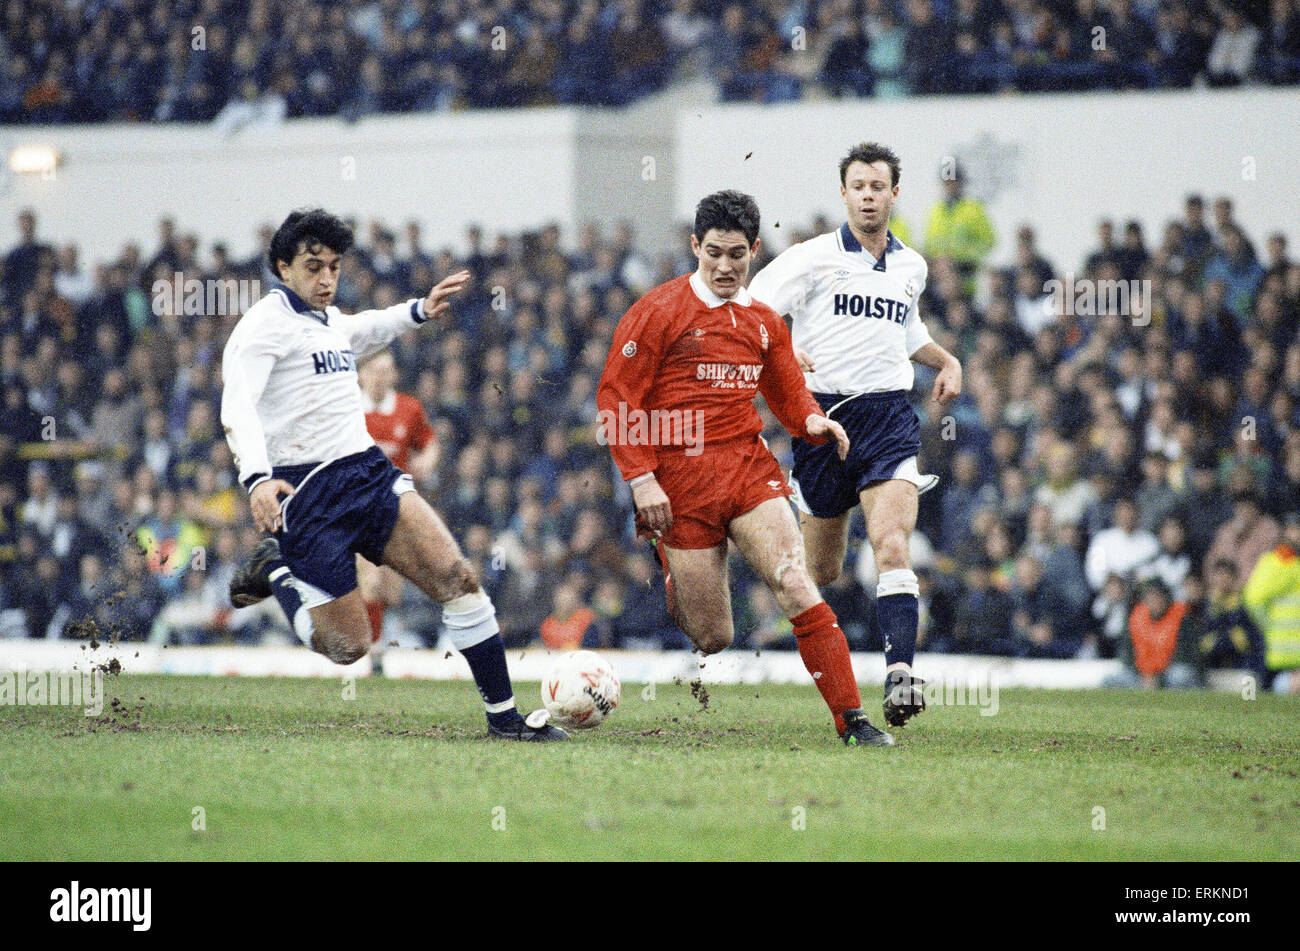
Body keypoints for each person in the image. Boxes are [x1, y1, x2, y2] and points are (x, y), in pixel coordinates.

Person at [221, 208, 565, 741]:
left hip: (366, 476)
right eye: (314, 267)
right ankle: (277, 574)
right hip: (305, 496)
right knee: (348, 647)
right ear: (282, 266)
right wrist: (257, 479)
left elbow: (364, 328)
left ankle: (505, 720)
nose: (327, 279)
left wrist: (419, 311)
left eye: (334, 267)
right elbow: (237, 407)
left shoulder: (329, 321)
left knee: (459, 579)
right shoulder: (261, 329)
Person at [596, 189, 893, 747]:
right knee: (713, 637)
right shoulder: (657, 312)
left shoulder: (762, 321)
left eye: (737, 254)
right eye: (714, 253)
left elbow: (786, 390)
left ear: (754, 250)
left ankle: (851, 720)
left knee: (792, 578)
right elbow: (616, 403)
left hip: (747, 471)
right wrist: (641, 481)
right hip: (679, 483)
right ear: (694, 246)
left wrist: (811, 422)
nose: (726, 266)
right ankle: (675, 572)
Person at [748, 142, 962, 729]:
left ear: (895, 193)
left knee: (892, 544)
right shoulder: (810, 258)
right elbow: (752, 309)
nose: (868, 196)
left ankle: (900, 675)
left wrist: (945, 359)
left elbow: (906, 329)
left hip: (889, 418)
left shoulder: (910, 266)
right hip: (819, 421)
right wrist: (789, 352)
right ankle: (811, 656)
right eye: (858, 186)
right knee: (822, 573)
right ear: (843, 193)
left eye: (878, 186)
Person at [355, 349, 438, 671]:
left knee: (391, 591)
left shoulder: (408, 408)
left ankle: (375, 640)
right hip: (355, 506)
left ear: (394, 375)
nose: (379, 376)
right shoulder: (346, 407)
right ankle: (374, 654)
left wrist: (427, 460)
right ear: (361, 374)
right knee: (371, 580)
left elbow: (428, 442)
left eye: (385, 370)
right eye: (373, 370)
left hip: (396, 506)